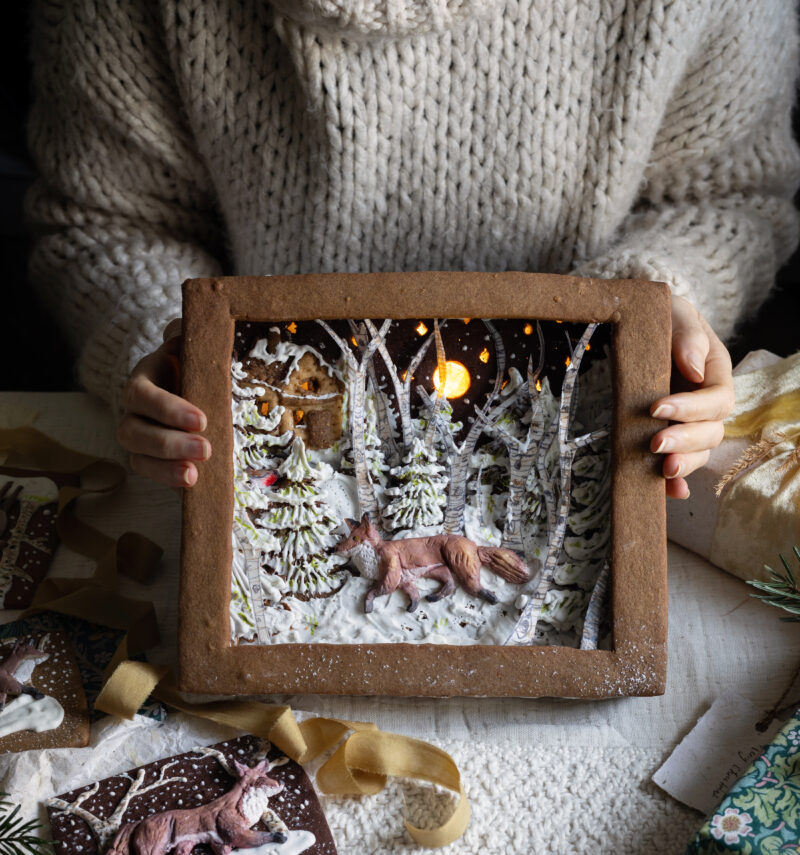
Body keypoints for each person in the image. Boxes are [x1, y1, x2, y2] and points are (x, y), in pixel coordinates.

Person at [26, 1, 799, 502]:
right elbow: (109, 219)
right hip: (262, 469)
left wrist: (650, 305)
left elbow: (719, 196)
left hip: (583, 461)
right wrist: (175, 348)